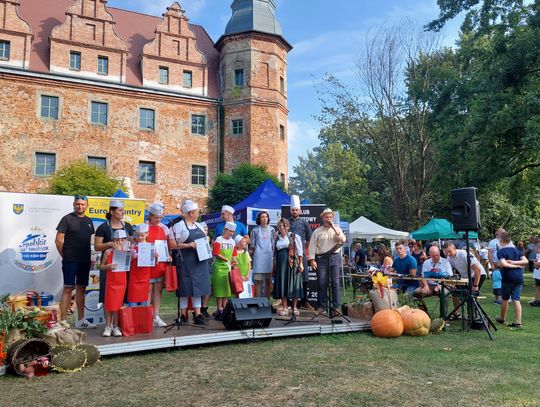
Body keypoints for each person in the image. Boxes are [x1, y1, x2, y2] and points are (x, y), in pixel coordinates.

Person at [55, 195, 96, 328]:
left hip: (84, 261)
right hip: (70, 260)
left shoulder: (89, 221)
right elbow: (58, 240)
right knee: (68, 288)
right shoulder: (67, 219)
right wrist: (65, 256)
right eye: (78, 204)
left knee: (81, 289)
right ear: (74, 204)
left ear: (87, 205)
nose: (80, 206)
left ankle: (80, 320)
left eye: (83, 204)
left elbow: (89, 241)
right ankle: (62, 321)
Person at [168, 200, 211, 325]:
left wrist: (207, 238)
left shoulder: (198, 226)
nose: (198, 214)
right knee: (185, 287)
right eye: (197, 212)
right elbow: (171, 244)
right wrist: (187, 245)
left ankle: (197, 314)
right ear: (191, 213)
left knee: (198, 287)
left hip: (199, 261)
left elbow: (205, 238)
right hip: (185, 261)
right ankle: (183, 314)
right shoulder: (178, 226)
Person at [94, 200, 134, 306]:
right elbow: (97, 246)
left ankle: (120, 321)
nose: (123, 212)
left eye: (123, 210)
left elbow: (131, 243)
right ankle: (109, 322)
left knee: (123, 293)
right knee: (107, 293)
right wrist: (111, 244)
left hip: (124, 265)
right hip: (108, 265)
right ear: (111, 212)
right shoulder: (103, 227)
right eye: (120, 210)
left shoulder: (128, 226)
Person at [308, 208, 346, 316]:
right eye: (326, 217)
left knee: (335, 282)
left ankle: (336, 308)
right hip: (321, 259)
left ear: (332, 218)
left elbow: (342, 240)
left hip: (335, 257)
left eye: (330, 217)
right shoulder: (317, 231)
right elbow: (312, 246)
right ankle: (322, 306)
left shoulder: (337, 229)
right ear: (322, 218)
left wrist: (333, 227)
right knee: (322, 283)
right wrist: (312, 260)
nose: (328, 219)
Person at [100, 229, 129, 337]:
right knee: (109, 303)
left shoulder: (127, 252)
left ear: (125, 240)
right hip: (111, 281)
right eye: (117, 240)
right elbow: (101, 266)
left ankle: (116, 326)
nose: (119, 242)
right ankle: (108, 326)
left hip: (122, 281)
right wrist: (108, 266)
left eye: (122, 240)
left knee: (119, 304)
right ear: (113, 240)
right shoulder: (108, 252)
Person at [273, 219, 304, 316]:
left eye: (284, 226)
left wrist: (301, 264)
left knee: (293, 284)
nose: (282, 228)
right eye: (280, 226)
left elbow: (299, 251)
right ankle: (285, 307)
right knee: (283, 284)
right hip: (281, 263)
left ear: (288, 226)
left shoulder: (294, 236)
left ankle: (294, 307)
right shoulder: (277, 238)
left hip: (292, 262)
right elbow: (273, 251)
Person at [496, 232, 528, 328]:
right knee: (516, 299)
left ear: (501, 240)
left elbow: (504, 264)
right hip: (519, 277)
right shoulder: (517, 250)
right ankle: (518, 322)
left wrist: (513, 264)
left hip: (508, 277)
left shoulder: (501, 252)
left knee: (505, 299)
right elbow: (525, 261)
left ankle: (502, 318)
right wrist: (517, 264)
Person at [288, 195, 314, 310]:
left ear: (300, 211)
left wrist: (303, 249)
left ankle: (305, 302)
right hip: (289, 255)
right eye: (293, 210)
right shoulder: (286, 222)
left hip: (301, 255)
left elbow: (309, 239)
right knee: (289, 278)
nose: (294, 211)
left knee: (304, 279)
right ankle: (289, 304)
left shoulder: (304, 223)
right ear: (290, 211)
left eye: (296, 210)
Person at [146, 203, 170, 327]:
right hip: (148, 263)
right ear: (150, 216)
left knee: (158, 290)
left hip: (161, 263)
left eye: (160, 217)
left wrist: (168, 255)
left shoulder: (164, 228)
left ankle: (156, 315)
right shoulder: (144, 227)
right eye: (156, 217)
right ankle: (147, 316)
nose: (158, 220)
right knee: (148, 290)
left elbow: (167, 245)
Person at [212, 221, 238, 320]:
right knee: (219, 289)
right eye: (230, 231)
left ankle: (225, 309)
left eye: (233, 232)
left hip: (228, 267)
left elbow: (234, 255)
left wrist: (235, 262)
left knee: (227, 289)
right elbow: (216, 253)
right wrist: (227, 260)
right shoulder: (219, 239)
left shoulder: (232, 241)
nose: (231, 233)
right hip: (219, 267)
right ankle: (219, 310)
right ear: (225, 230)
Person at [250, 211, 275, 300]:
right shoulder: (255, 230)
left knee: (268, 281)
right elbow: (252, 245)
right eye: (262, 217)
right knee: (258, 281)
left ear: (268, 219)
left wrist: (273, 258)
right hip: (259, 258)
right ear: (259, 219)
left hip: (268, 257)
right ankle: (259, 302)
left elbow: (273, 244)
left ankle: (267, 302)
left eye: (266, 217)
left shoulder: (272, 230)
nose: (264, 219)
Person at [126, 223, 152, 306]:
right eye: (137, 236)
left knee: (143, 300)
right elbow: (127, 263)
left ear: (147, 234)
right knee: (133, 300)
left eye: (142, 235)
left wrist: (156, 257)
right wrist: (131, 257)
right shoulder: (132, 247)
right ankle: (131, 318)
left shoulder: (151, 247)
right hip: (134, 278)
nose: (140, 238)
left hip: (145, 277)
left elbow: (154, 263)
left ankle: (141, 318)